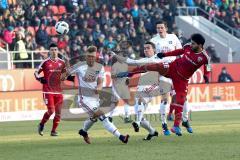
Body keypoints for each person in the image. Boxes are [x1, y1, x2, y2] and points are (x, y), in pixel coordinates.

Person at [115, 33, 211, 136]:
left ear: (200, 45)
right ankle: (129, 73)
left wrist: (206, 76)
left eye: (193, 44)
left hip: (182, 79)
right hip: (172, 67)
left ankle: (176, 126)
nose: (191, 45)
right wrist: (165, 55)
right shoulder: (187, 47)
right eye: (191, 43)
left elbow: (208, 67)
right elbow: (178, 51)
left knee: (181, 99)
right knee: (154, 66)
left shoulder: (204, 57)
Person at [66, 46, 129, 144]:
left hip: (95, 99)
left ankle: (83, 131)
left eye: (93, 57)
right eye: (89, 56)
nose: (91, 58)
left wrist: (99, 88)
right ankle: (121, 137)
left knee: (94, 118)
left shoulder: (100, 67)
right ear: (86, 56)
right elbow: (64, 76)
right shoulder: (79, 66)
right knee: (103, 117)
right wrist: (66, 66)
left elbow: (100, 83)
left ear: (96, 57)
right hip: (84, 99)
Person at [111, 41, 164, 140]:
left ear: (154, 50)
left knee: (140, 101)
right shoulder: (143, 60)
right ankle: (152, 131)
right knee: (140, 114)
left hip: (153, 86)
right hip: (141, 88)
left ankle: (138, 123)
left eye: (148, 48)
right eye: (144, 48)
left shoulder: (158, 59)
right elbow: (130, 61)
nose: (146, 50)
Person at [150, 20, 182, 135]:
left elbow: (181, 52)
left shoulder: (173, 37)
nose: (160, 30)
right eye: (158, 28)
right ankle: (164, 124)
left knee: (178, 97)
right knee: (165, 98)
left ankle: (178, 122)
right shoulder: (153, 41)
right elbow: (151, 57)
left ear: (166, 28)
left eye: (161, 27)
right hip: (162, 71)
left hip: (175, 70)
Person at [34, 43, 67, 136]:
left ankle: (53, 131)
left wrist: (64, 77)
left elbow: (65, 74)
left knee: (59, 113)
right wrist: (40, 78)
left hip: (58, 91)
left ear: (58, 51)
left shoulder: (62, 62)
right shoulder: (45, 62)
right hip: (48, 90)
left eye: (55, 49)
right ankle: (41, 124)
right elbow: (36, 72)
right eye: (52, 50)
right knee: (51, 111)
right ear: (49, 51)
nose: (54, 51)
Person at [108, 51, 132, 123]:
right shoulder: (115, 65)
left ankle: (127, 117)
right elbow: (112, 76)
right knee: (115, 102)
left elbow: (127, 75)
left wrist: (127, 79)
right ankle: (109, 116)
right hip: (116, 86)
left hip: (123, 85)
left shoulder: (125, 65)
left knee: (127, 101)